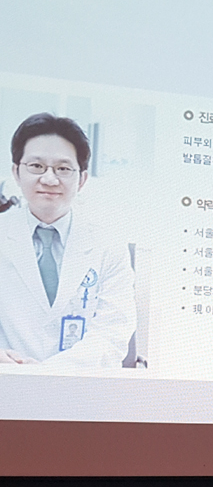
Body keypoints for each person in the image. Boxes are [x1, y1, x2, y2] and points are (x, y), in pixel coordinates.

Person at [0, 113, 135, 368]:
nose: (49, 179)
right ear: (16, 172)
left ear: (82, 179)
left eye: (63, 169)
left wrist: (51, 372)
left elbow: (113, 332)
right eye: (36, 166)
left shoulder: (108, 245)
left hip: (78, 384)